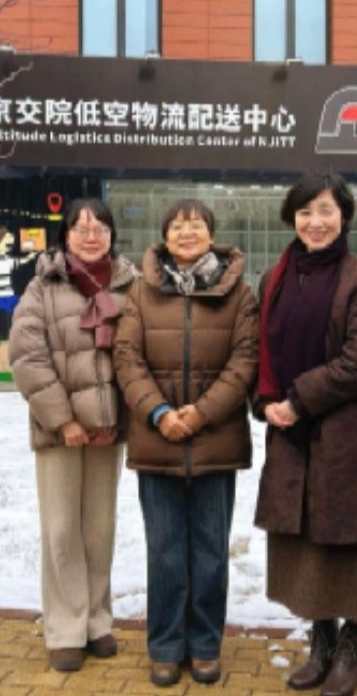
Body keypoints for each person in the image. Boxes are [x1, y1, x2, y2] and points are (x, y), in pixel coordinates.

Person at [253, 172, 357, 696]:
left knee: (348, 543)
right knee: (306, 541)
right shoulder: (274, 279)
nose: (316, 222)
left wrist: (299, 399)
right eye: (306, 211)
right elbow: (261, 352)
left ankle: (351, 650)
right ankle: (321, 643)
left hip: (343, 432)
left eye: (327, 211)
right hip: (289, 433)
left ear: (344, 216)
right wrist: (267, 402)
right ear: (292, 217)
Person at [113, 199, 259, 687]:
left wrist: (200, 413)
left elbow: (245, 361)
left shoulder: (239, 294)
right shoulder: (141, 292)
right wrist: (159, 413)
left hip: (216, 441)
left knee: (212, 552)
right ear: (165, 237)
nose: (186, 232)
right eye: (177, 225)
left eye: (195, 224)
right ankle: (165, 645)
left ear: (211, 235)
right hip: (157, 441)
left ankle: (205, 645)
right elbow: (127, 358)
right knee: (165, 551)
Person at [8, 198, 138, 673]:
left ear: (111, 234)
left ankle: (97, 621)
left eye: (99, 227)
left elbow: (139, 355)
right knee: (62, 528)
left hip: (108, 430)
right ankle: (65, 628)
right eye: (80, 228)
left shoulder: (130, 285)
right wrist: (64, 420)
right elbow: (27, 357)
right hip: (59, 431)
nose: (90, 236)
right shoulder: (43, 286)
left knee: (99, 529)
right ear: (66, 236)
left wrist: (118, 420)